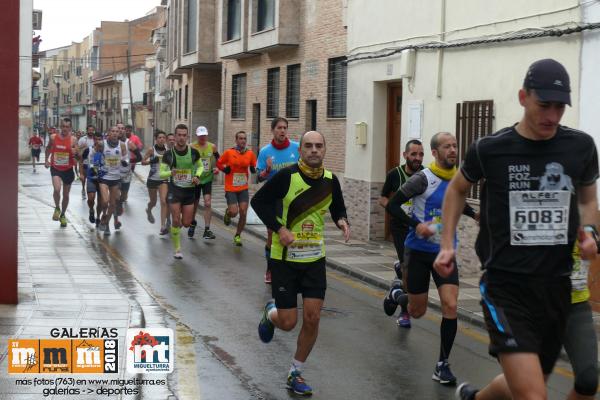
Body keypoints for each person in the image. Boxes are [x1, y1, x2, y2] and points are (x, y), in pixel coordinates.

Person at [435, 59, 599, 400]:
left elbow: (587, 199)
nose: (552, 116)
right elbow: (456, 190)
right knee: (533, 395)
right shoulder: (490, 149)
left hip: (557, 287)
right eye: (544, 105)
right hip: (505, 287)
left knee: (527, 381)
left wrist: (590, 231)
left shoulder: (580, 147)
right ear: (523, 97)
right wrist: (447, 244)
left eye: (560, 107)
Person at [253, 130, 350, 396]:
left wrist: (342, 220)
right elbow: (258, 201)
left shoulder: (331, 180)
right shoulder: (287, 177)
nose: (314, 150)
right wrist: (279, 228)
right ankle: (271, 313)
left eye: (319, 146)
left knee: (313, 317)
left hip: (314, 259)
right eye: (309, 146)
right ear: (301, 150)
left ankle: (295, 372)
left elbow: (337, 207)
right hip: (284, 259)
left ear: (325, 149)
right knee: (287, 322)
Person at [383, 132, 478, 386]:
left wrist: (475, 215)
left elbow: (458, 202)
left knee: (450, 304)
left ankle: (442, 364)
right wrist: (417, 225)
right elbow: (392, 206)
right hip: (418, 253)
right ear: (435, 153)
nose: (453, 150)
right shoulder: (422, 179)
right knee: (417, 311)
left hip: (445, 251)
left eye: (455, 145)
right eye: (447, 146)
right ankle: (396, 295)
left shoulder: (460, 178)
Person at [378, 139, 424, 327]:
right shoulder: (394, 174)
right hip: (400, 228)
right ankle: (405, 313)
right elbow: (382, 198)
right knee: (408, 269)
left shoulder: (426, 175)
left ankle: (395, 292)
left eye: (421, 154)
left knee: (412, 270)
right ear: (405, 155)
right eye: (413, 154)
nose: (417, 158)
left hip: (419, 229)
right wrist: (393, 208)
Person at [256, 117, 300, 283]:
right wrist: (266, 170)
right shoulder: (265, 152)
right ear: (273, 130)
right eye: (279, 128)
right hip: (273, 198)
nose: (282, 131)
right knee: (272, 234)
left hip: (294, 197)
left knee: (293, 232)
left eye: (285, 128)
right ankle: (270, 268)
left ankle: (291, 267)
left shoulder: (296, 148)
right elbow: (258, 178)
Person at [159, 124, 204, 259]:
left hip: (189, 191)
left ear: (187, 136)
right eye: (179, 135)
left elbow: (201, 166)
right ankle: (177, 249)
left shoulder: (194, 152)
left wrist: (197, 176)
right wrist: (169, 173)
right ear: (175, 135)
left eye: (184, 135)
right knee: (176, 219)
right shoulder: (169, 154)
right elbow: (161, 173)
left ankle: (179, 231)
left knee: (186, 223)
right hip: (175, 190)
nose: (181, 138)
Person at [562, 241, 598, 400]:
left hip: (576, 307)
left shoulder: (586, 224)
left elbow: (591, 231)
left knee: (587, 381)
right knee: (528, 384)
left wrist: (592, 239)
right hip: (535, 306)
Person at [217, 131, 257, 246]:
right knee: (234, 212)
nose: (243, 141)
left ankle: (238, 235)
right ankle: (228, 213)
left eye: (244, 138)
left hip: (243, 187)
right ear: (236, 140)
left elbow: (253, 166)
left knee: (243, 212)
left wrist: (256, 170)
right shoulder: (229, 152)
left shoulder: (250, 154)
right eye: (240, 138)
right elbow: (219, 163)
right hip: (231, 188)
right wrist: (225, 169)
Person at [44, 118, 78, 228]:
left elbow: (78, 156)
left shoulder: (73, 139)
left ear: (70, 128)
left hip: (68, 169)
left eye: (67, 127)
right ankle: (57, 208)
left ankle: (63, 214)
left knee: (66, 195)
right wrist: (46, 159)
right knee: (57, 189)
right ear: (60, 127)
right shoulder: (53, 137)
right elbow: (48, 148)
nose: (65, 129)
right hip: (56, 168)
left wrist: (76, 153)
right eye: (63, 126)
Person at [96, 126, 129, 236]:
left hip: (116, 178)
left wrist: (125, 162)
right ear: (108, 133)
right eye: (113, 131)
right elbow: (95, 155)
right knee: (105, 202)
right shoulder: (102, 144)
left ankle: (106, 224)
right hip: (104, 177)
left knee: (112, 204)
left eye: (117, 132)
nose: (115, 133)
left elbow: (125, 157)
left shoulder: (122, 145)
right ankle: (103, 216)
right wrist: (95, 167)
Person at [189, 126, 220, 240]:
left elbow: (219, 159)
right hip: (196, 179)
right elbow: (187, 161)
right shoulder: (191, 147)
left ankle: (207, 230)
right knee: (195, 203)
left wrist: (217, 168)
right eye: (200, 135)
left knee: (207, 203)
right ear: (197, 136)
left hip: (207, 178)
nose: (203, 137)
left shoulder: (212, 147)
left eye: (204, 135)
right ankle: (192, 222)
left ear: (207, 135)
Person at [142, 131, 169, 235]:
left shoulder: (168, 150)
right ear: (156, 139)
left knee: (163, 201)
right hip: (152, 179)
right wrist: (151, 161)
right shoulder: (151, 150)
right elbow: (143, 161)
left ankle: (162, 226)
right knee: (153, 202)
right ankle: (149, 210)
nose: (161, 139)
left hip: (163, 179)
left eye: (163, 137)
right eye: (159, 137)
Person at [115, 125, 142, 229]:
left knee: (123, 196)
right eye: (118, 129)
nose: (121, 130)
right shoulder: (110, 143)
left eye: (122, 129)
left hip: (126, 173)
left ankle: (120, 203)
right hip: (114, 174)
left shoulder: (129, 143)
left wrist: (129, 162)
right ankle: (116, 220)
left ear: (125, 131)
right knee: (115, 197)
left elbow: (139, 157)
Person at [81, 132, 104, 225]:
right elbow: (81, 162)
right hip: (91, 178)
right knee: (91, 198)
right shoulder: (88, 150)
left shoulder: (105, 151)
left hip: (103, 179)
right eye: (96, 139)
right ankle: (91, 210)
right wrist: (81, 173)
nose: (98, 141)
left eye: (100, 139)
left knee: (101, 201)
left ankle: (98, 217)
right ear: (94, 140)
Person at [78, 125, 96, 199]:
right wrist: (82, 147)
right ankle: (83, 189)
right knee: (84, 178)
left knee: (91, 178)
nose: (91, 131)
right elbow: (78, 150)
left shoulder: (96, 140)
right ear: (87, 130)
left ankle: (91, 191)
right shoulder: (82, 139)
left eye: (92, 130)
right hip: (84, 162)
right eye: (89, 130)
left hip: (93, 163)